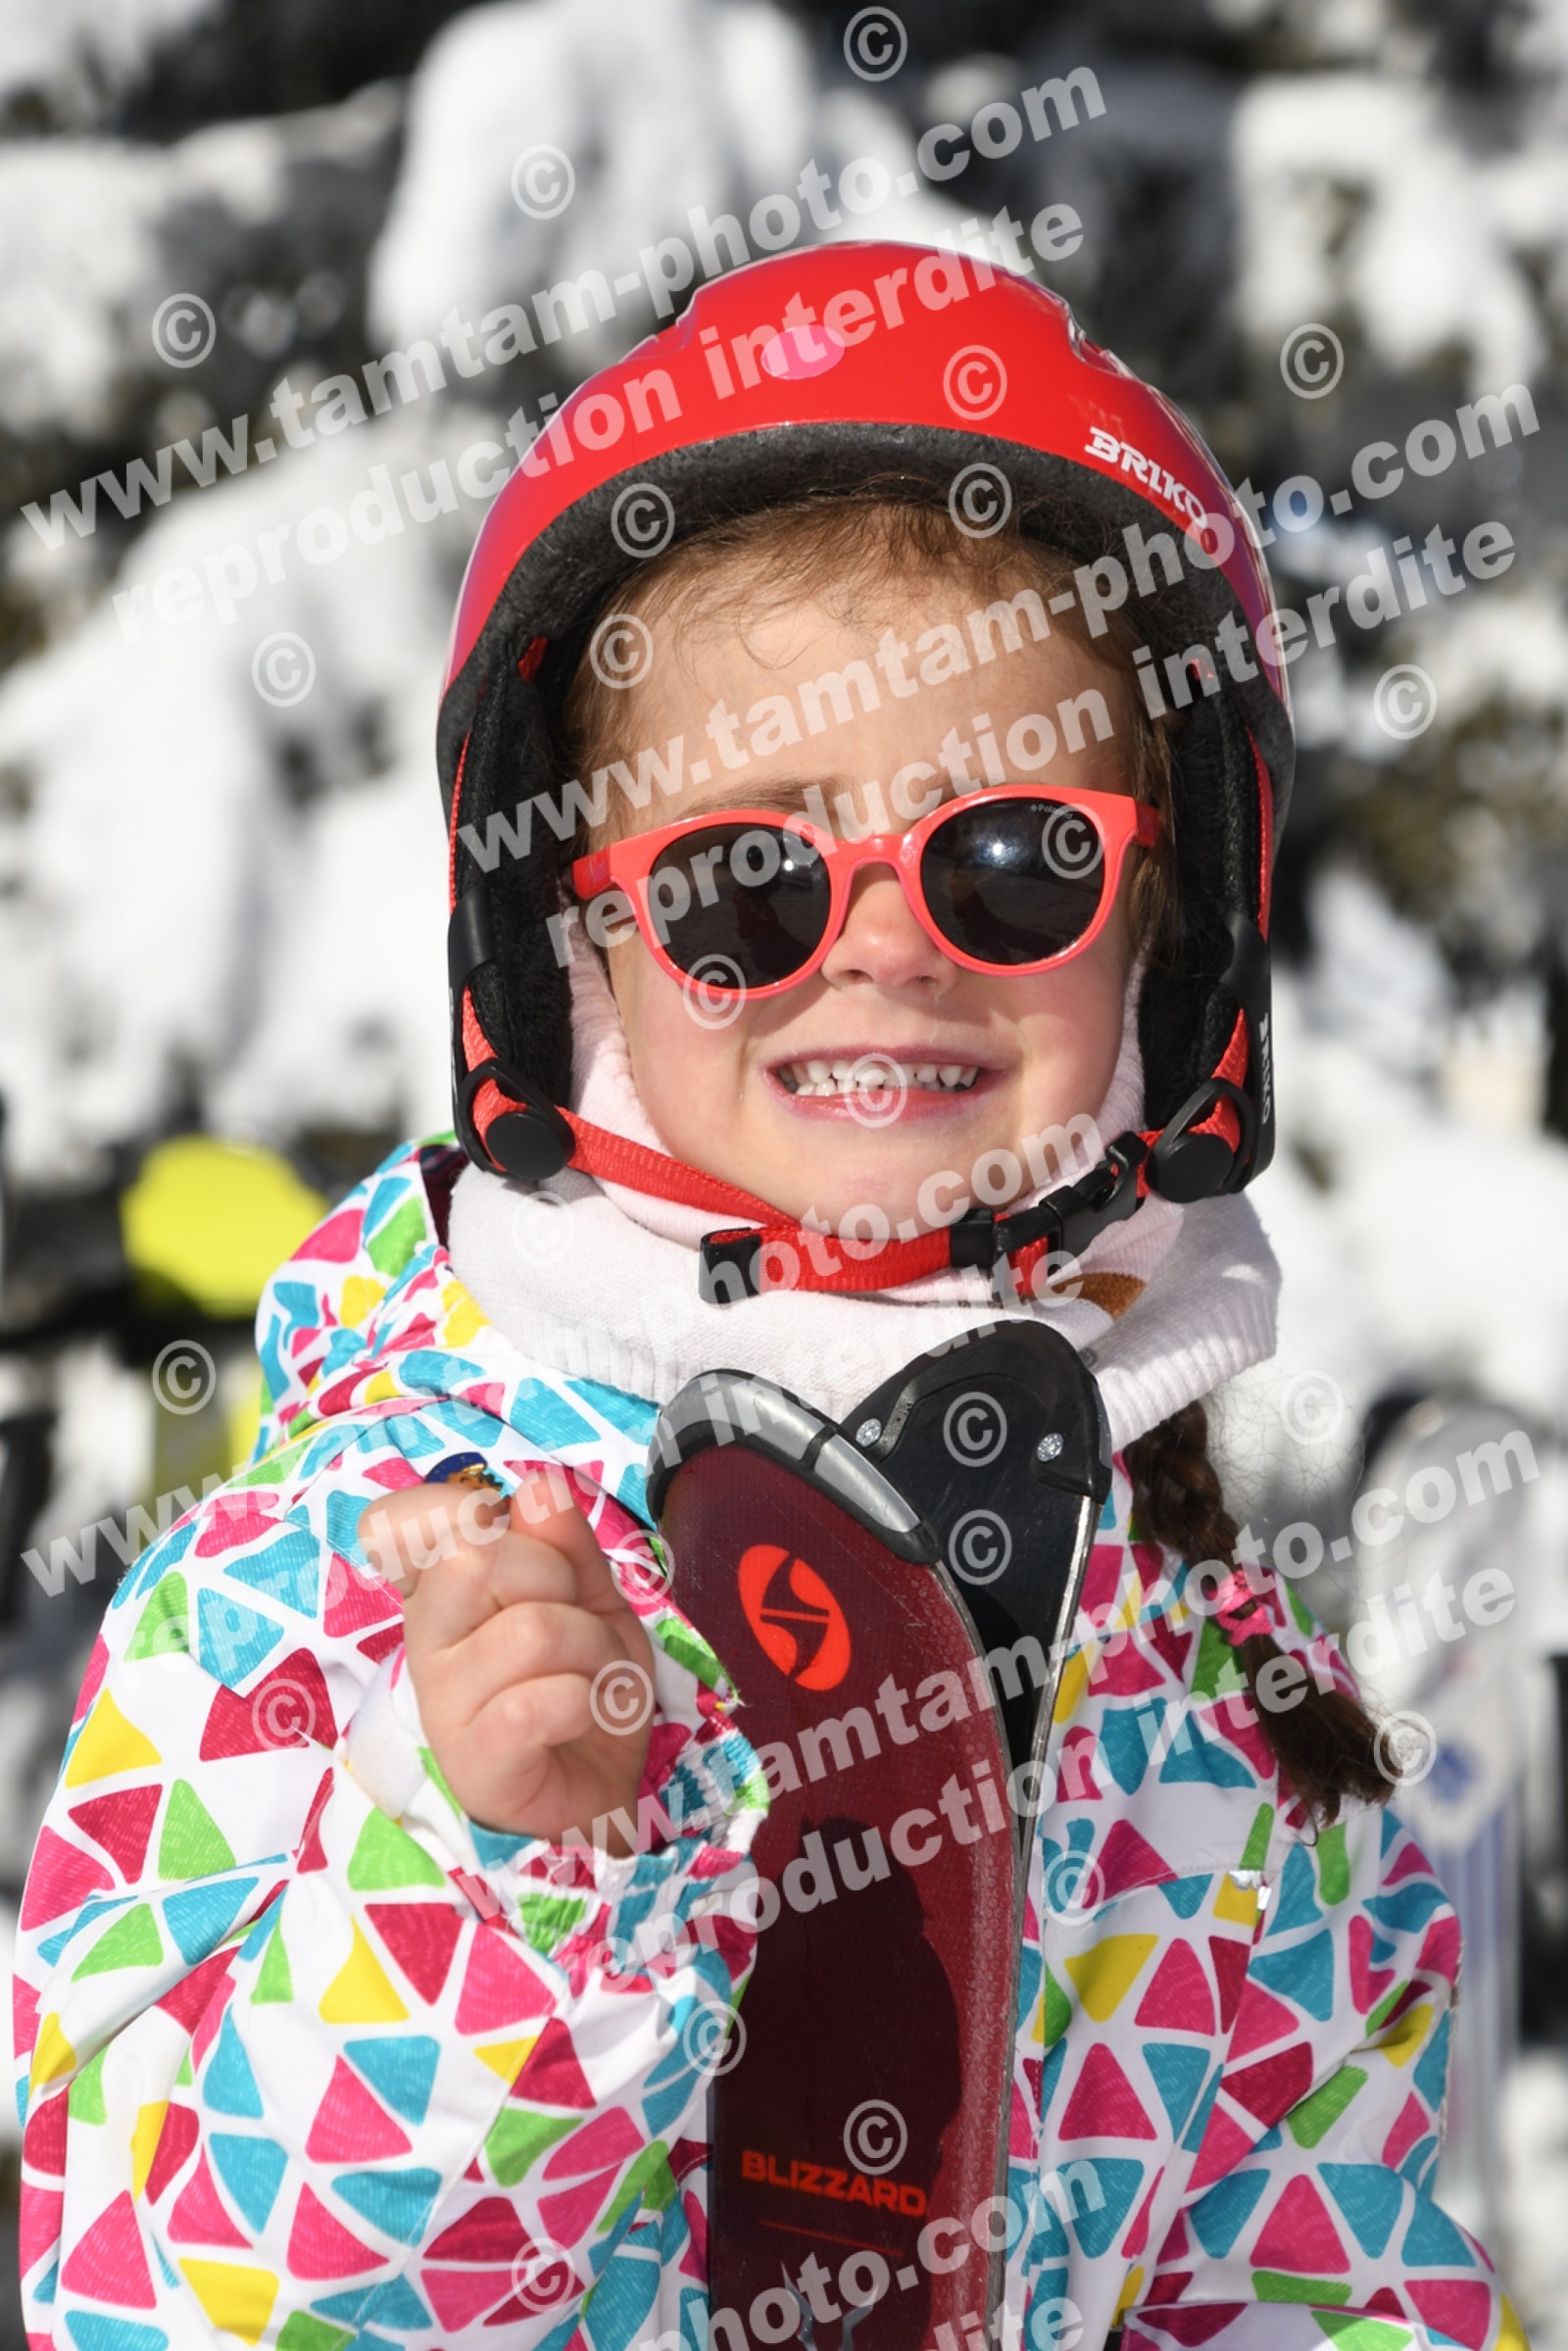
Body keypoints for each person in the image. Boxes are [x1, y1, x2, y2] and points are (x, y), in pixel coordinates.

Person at [15, 243, 1529, 2351]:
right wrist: (488, 1883)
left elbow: (1304, 2272)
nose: (887, 950)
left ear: (1164, 940)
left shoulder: (1200, 1684)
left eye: (1011, 863)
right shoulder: (326, 1593)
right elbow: (148, 2296)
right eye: (750, 881)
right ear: (576, 955)